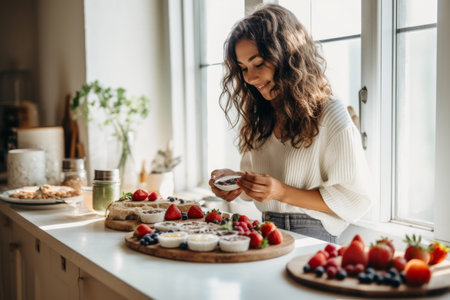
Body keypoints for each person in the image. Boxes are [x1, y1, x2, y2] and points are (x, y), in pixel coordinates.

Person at [208, 4, 372, 243]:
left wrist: (280, 191)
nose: (250, 78)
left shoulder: (329, 113)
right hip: (264, 230)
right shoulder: (259, 114)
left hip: (313, 237)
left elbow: (354, 198)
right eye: (243, 68)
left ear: (286, 56)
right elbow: (266, 185)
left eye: (259, 63)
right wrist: (238, 181)